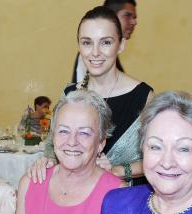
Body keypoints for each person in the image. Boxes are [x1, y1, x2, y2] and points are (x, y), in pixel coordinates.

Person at [30, 6, 153, 185]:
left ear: (121, 45)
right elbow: (52, 146)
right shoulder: (70, 94)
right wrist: (46, 160)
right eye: (87, 42)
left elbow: (158, 158)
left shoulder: (143, 96)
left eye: (106, 42)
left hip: (124, 198)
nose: (95, 52)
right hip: (76, 195)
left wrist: (116, 170)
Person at [4, 91, 125, 214]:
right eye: (63, 131)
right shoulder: (31, 182)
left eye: (84, 133)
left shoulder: (116, 194)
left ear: (101, 143)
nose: (72, 141)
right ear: (52, 138)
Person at [71, 0, 137, 83]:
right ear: (111, 16)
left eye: (106, 43)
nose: (134, 22)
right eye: (127, 15)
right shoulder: (89, 59)